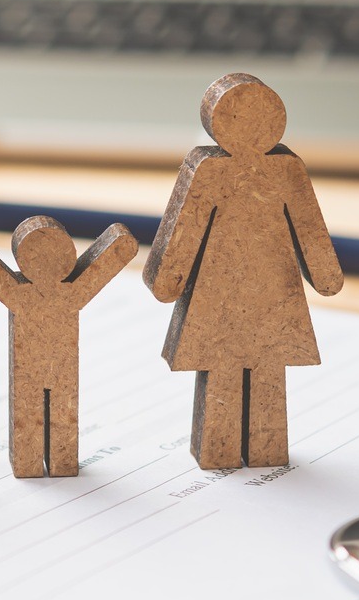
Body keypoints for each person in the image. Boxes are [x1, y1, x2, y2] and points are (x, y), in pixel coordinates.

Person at [144, 73, 344, 469]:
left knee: (262, 370)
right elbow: (185, 228)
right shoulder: (210, 169)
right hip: (226, 298)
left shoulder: (285, 170)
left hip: (270, 297)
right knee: (226, 371)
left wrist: (166, 281)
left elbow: (310, 232)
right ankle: (220, 450)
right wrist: (167, 279)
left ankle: (258, 449)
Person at [0, 216, 135, 477]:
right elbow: (114, 255)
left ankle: (49, 462)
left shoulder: (44, 293)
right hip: (38, 368)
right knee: (37, 413)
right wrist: (121, 243)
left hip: (56, 368)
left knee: (54, 412)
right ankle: (37, 462)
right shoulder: (59, 292)